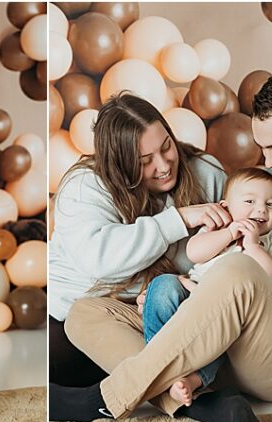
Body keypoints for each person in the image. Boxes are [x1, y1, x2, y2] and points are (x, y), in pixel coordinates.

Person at [50, 72, 272, 422]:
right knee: (86, 312)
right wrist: (200, 295)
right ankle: (197, 402)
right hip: (227, 345)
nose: (269, 162)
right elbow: (211, 251)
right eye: (263, 149)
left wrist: (214, 296)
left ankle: (107, 398)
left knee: (237, 270)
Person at [48, 93, 229, 387]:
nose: (163, 165)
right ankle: (185, 397)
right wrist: (180, 219)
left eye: (166, 146)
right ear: (119, 166)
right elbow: (101, 262)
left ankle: (172, 389)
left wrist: (183, 286)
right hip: (87, 315)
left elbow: (232, 254)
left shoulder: (206, 172)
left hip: (167, 313)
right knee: (60, 364)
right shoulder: (84, 186)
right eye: (144, 161)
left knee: (219, 345)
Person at [140, 167, 272, 406]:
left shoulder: (270, 239)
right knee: (162, 285)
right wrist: (229, 234)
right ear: (226, 207)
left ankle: (192, 381)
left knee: (220, 338)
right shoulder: (217, 229)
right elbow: (194, 252)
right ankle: (157, 359)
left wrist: (253, 246)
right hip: (189, 292)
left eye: (270, 204)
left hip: (222, 310)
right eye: (250, 201)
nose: (261, 209)